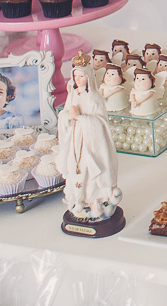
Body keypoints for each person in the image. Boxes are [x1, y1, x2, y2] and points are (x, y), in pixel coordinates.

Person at [56, 53, 122, 221]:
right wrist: (68, 117)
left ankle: (95, 201)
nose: (78, 79)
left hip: (90, 142)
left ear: (88, 76)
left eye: (81, 76)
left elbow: (101, 122)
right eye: (75, 76)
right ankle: (78, 199)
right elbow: (64, 114)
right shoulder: (73, 94)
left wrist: (81, 118)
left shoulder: (94, 97)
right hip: (75, 139)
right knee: (74, 166)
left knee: (90, 169)